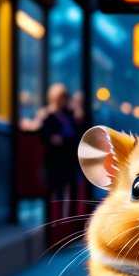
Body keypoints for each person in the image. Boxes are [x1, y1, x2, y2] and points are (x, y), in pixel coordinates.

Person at [40, 83, 81, 216]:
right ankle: (56, 222)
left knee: (72, 191)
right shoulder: (47, 116)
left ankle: (70, 222)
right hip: (55, 161)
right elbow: (50, 138)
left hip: (69, 159)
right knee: (56, 192)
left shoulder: (69, 114)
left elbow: (76, 132)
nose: (63, 100)